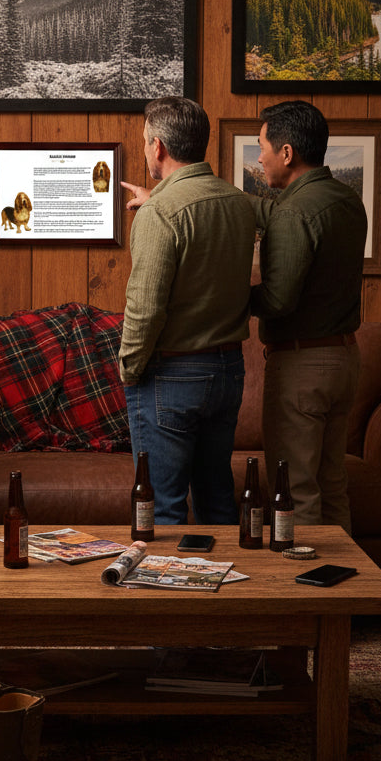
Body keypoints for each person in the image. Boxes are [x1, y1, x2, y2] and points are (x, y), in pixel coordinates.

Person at [118, 97, 255, 524]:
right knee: (217, 502)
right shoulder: (238, 203)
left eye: (144, 142)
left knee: (164, 509)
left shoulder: (161, 212)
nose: (145, 150)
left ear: (158, 147)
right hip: (228, 371)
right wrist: (156, 199)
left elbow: (146, 308)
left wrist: (129, 367)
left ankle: (167, 592)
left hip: (171, 376)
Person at [249, 100, 367, 532]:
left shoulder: (296, 212)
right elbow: (277, 215)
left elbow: (279, 301)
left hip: (302, 367)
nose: (258, 156)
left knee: (295, 490)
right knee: (332, 483)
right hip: (343, 360)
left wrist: (226, 298)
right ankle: (346, 592)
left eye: (262, 146)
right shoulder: (344, 199)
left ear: (286, 153)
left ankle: (306, 593)